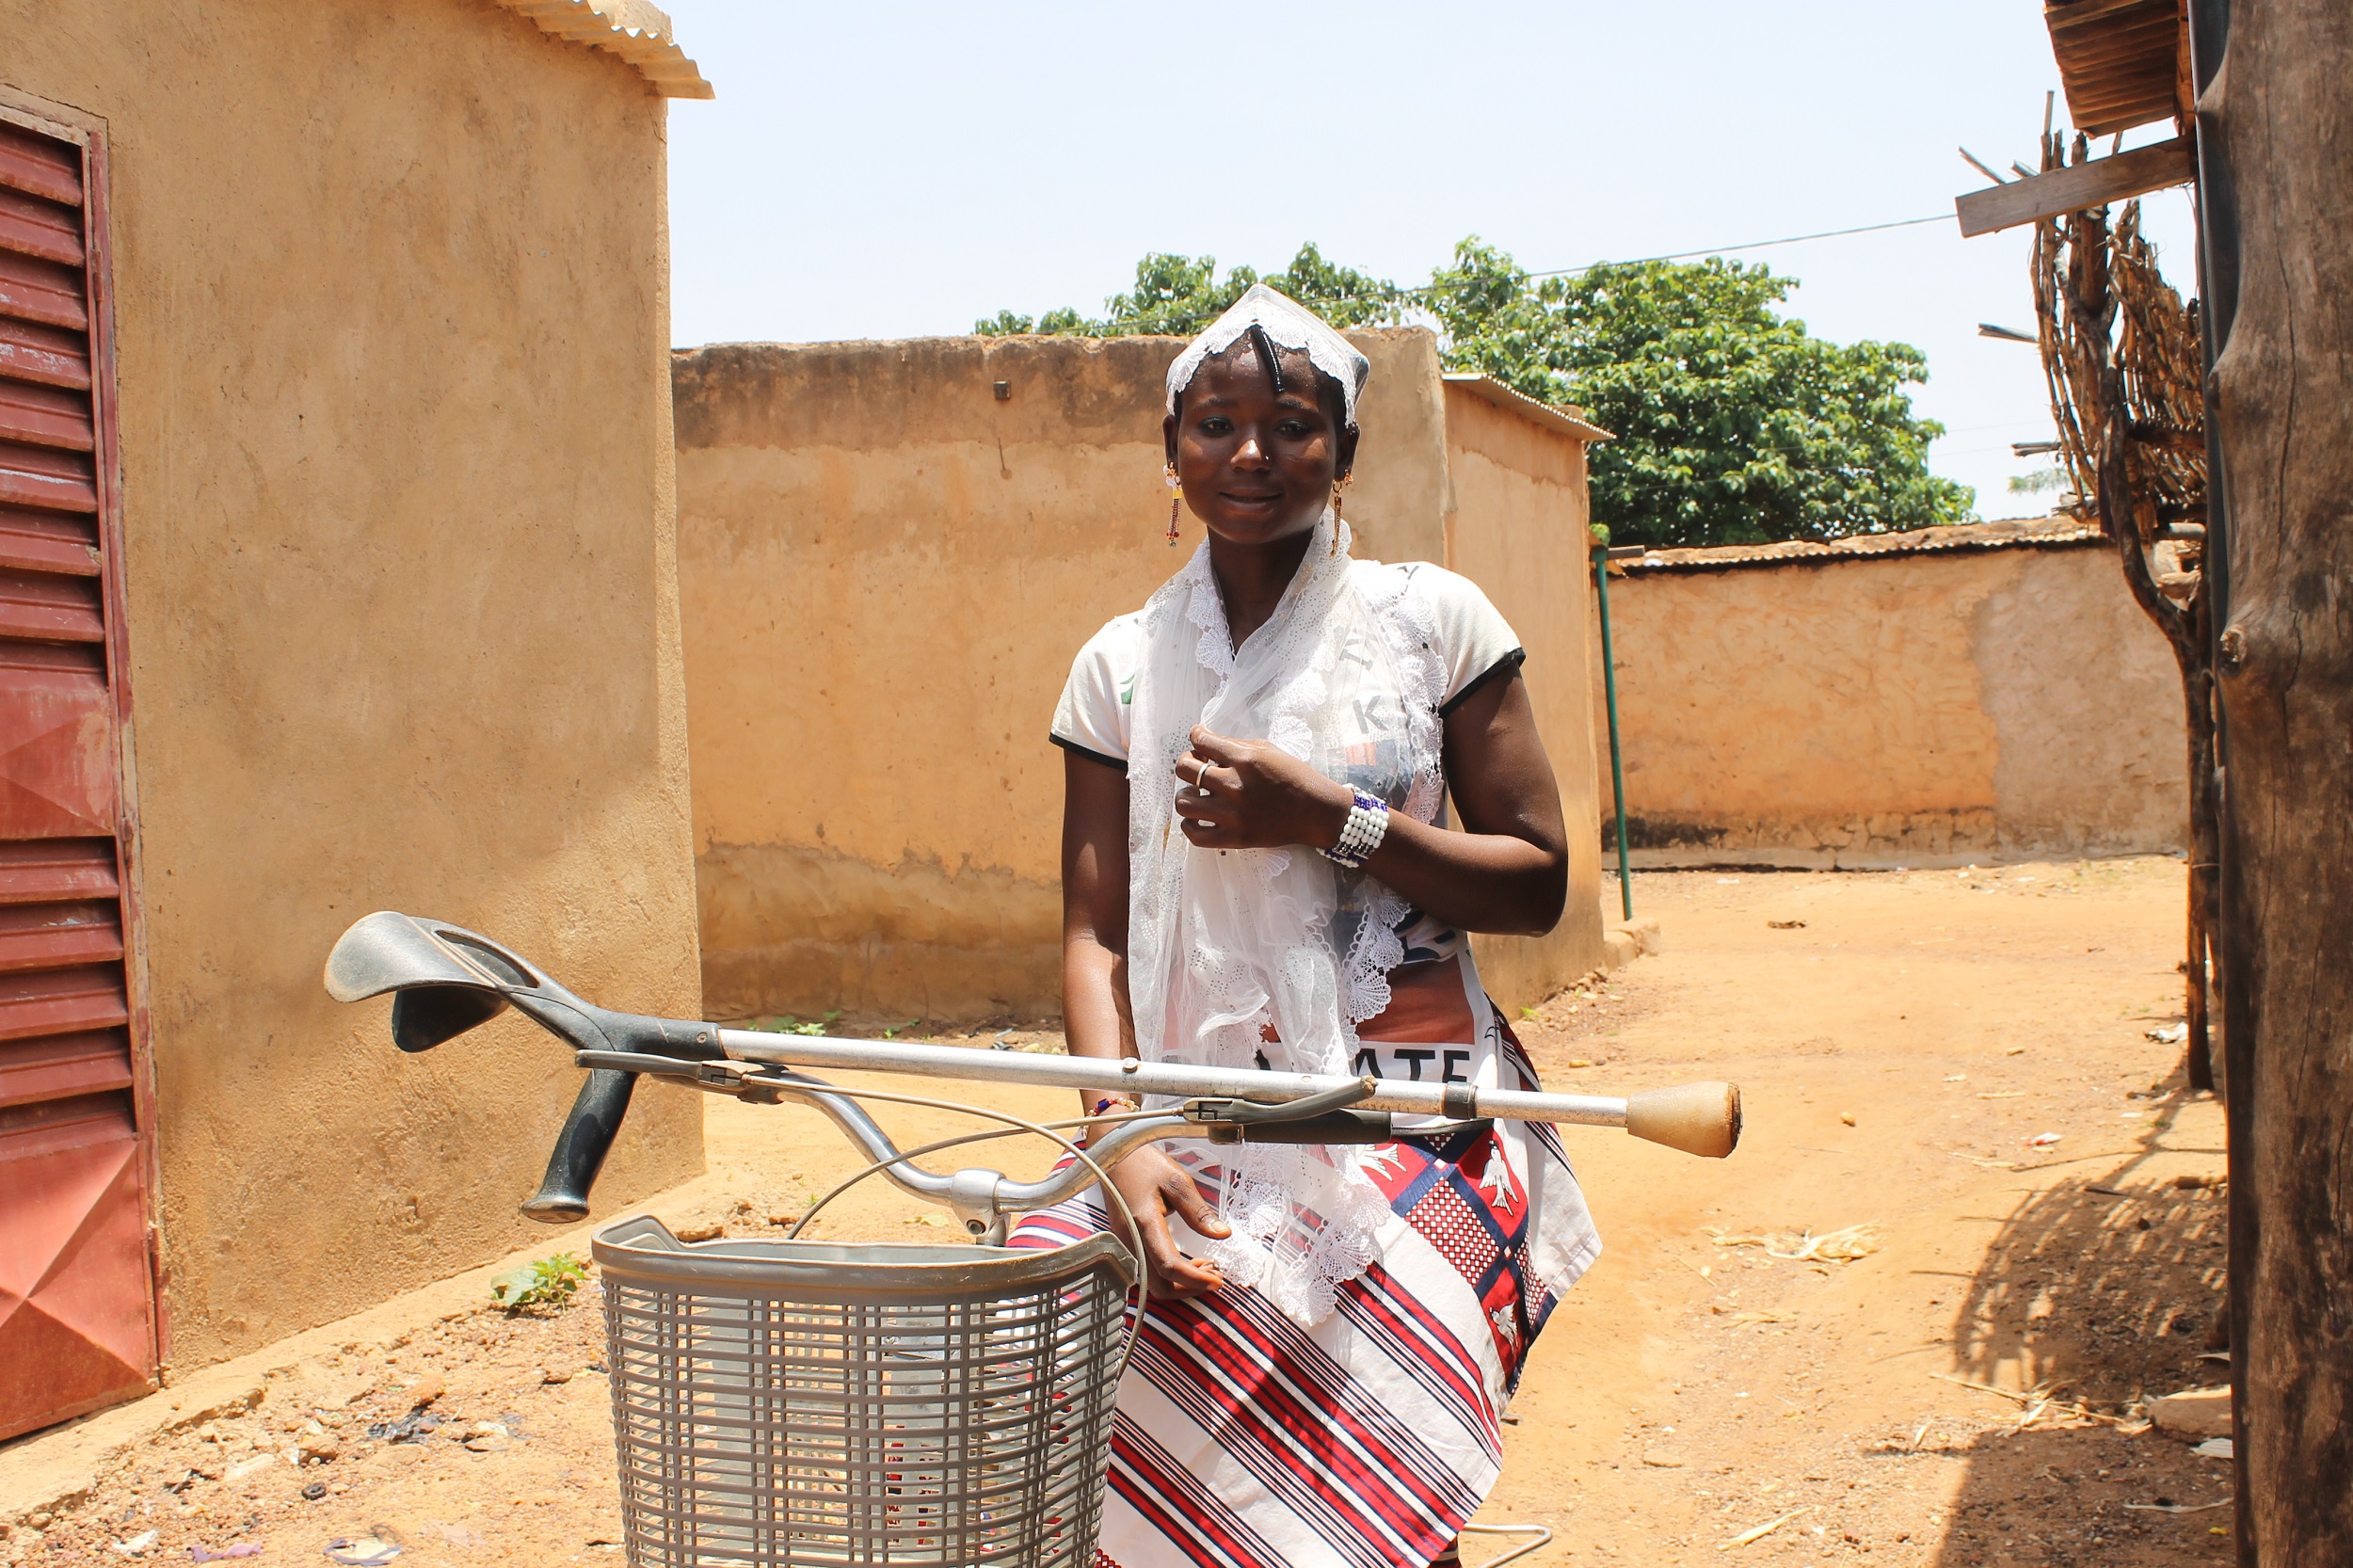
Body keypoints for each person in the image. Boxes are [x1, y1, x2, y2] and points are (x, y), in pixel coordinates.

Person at [1014, 285, 1600, 1568]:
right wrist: (1116, 1135)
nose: (1251, 455)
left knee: (1370, 1474)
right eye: (1216, 423)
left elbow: (1540, 877)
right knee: (1043, 1322)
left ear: (1347, 449)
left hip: (1408, 1114)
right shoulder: (1119, 667)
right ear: (1171, 451)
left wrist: (1328, 820)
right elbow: (1095, 937)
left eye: (1290, 423)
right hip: (1183, 1112)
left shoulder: (1433, 624)